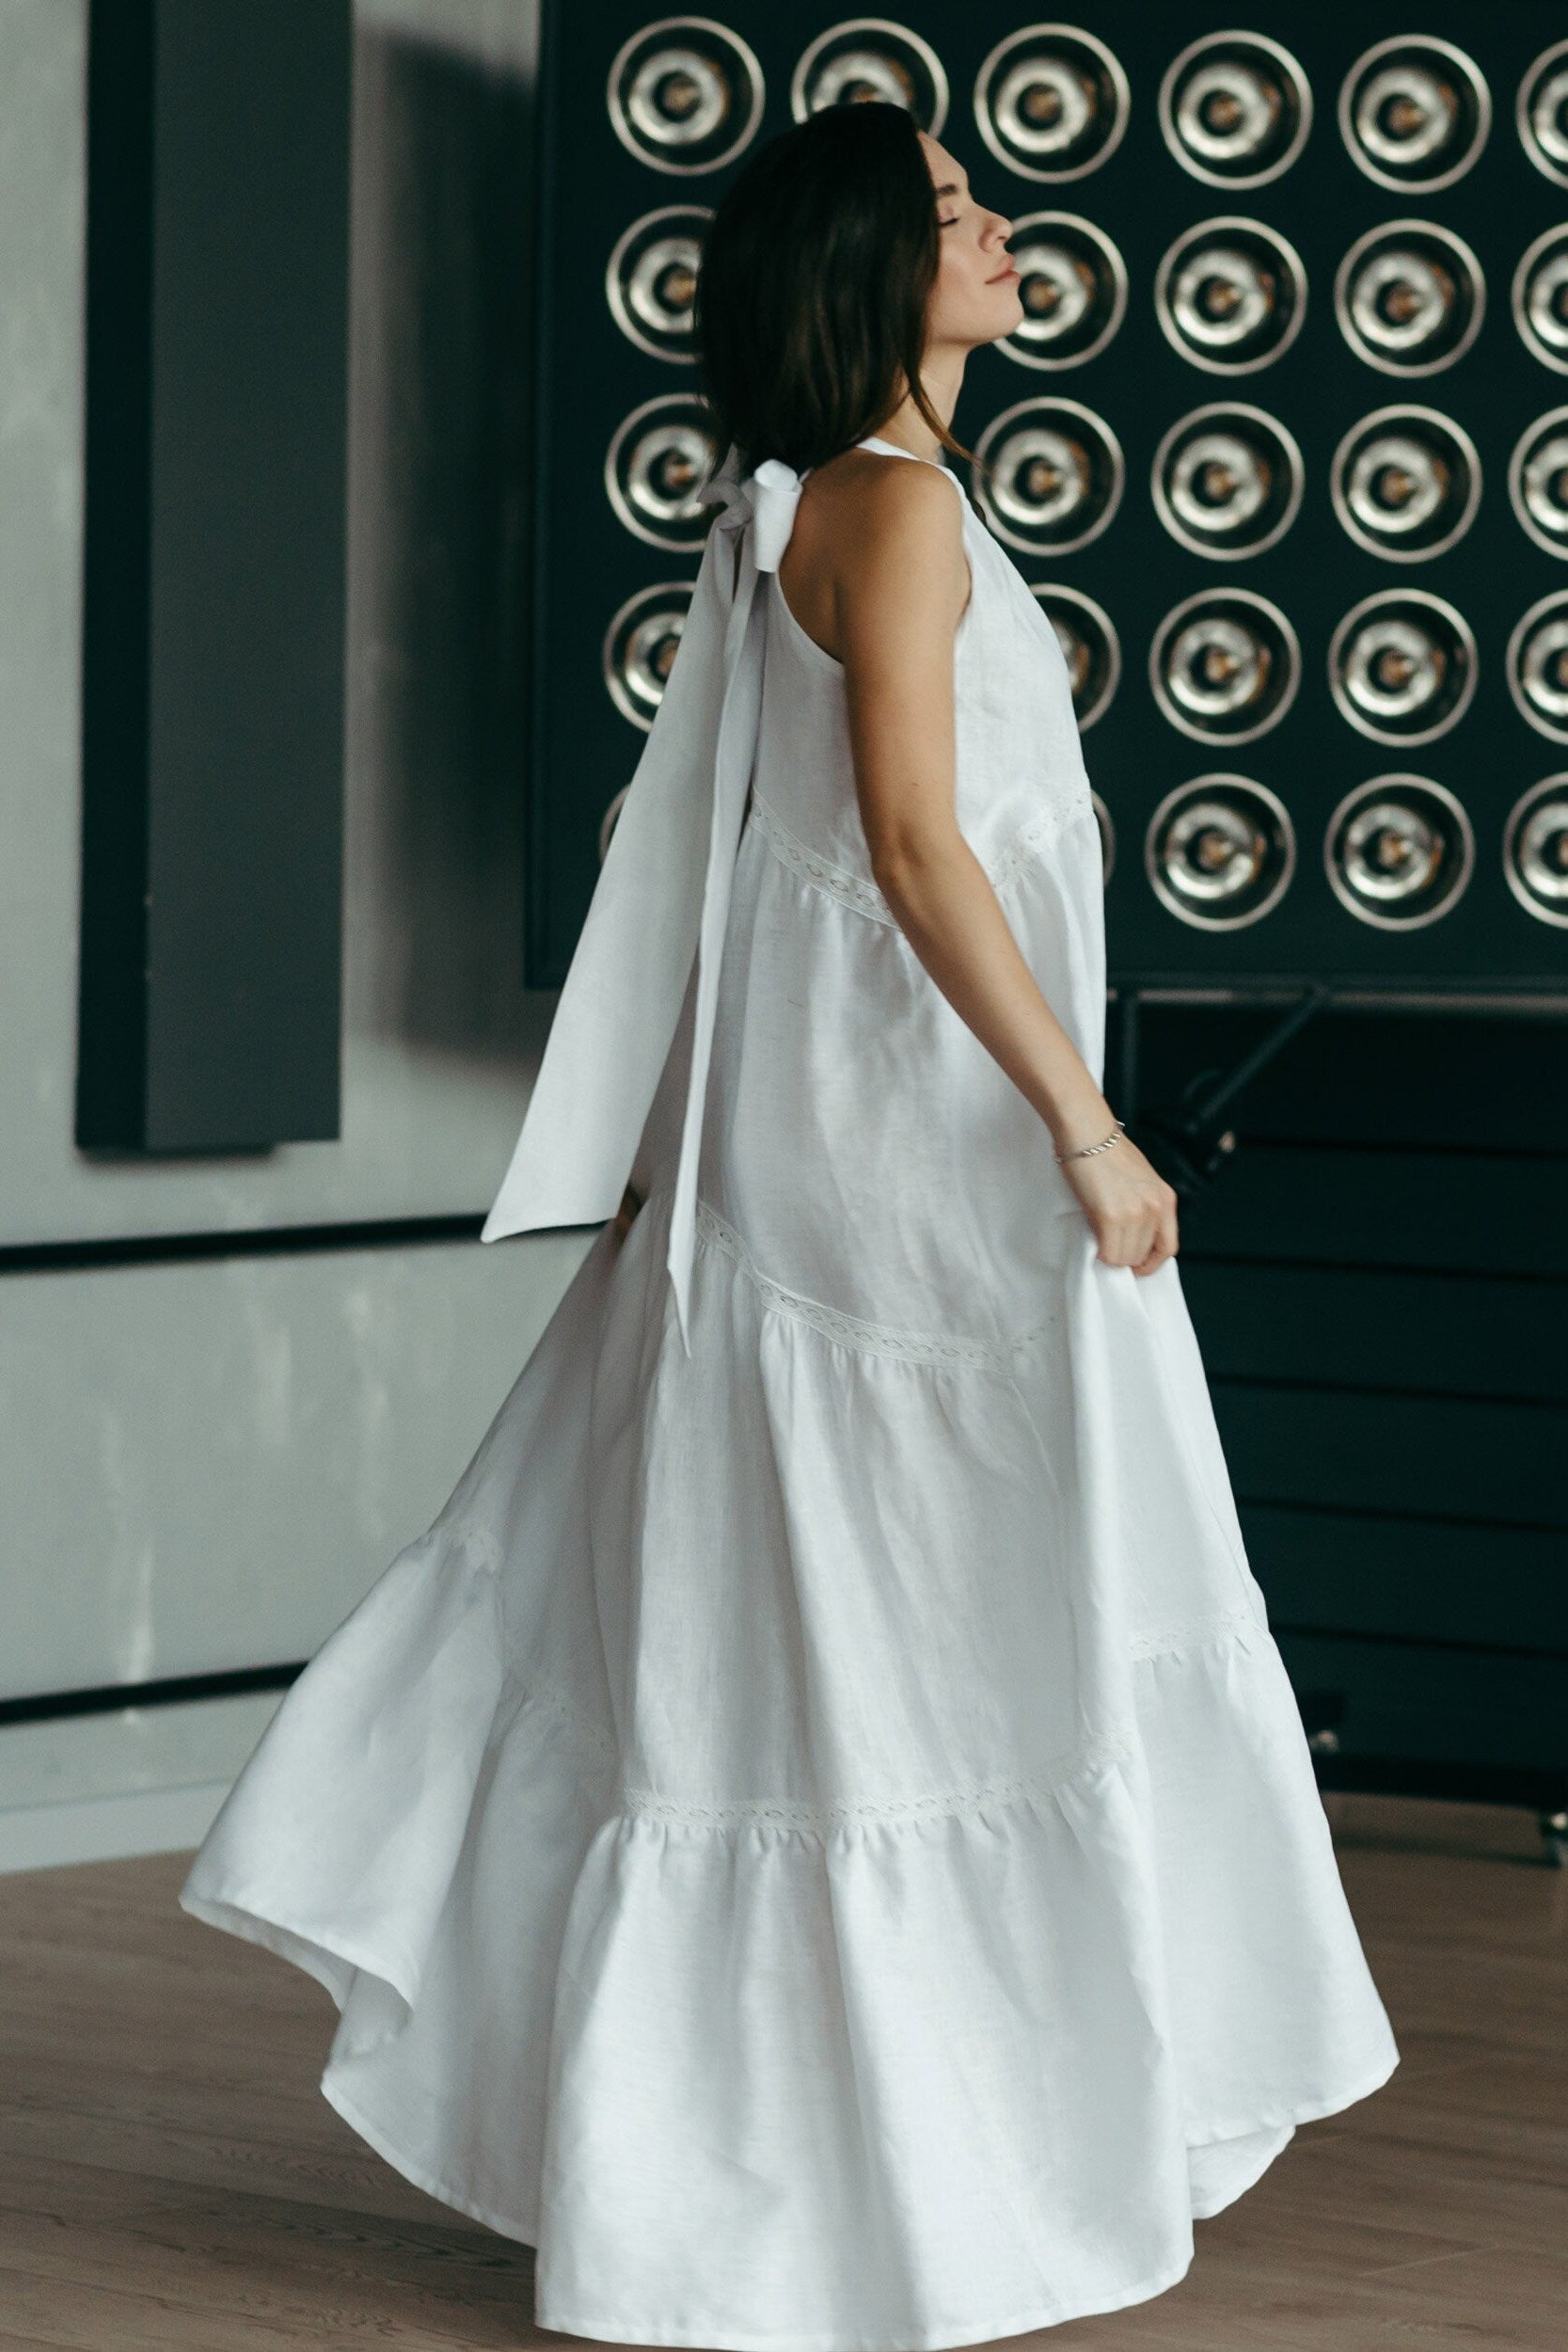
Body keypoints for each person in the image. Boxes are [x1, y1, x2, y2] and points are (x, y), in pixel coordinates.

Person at [181, 100, 1399, 2350]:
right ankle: (919, 2161)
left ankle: (818, 2174)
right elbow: (914, 847)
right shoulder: (896, 506)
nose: (998, 226)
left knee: (836, 1632)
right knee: (945, 1622)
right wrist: (1088, 1125)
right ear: (865, 268)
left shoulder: (817, 508)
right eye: (948, 209)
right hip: (925, 1176)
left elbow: (773, 869)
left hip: (849, 1155)